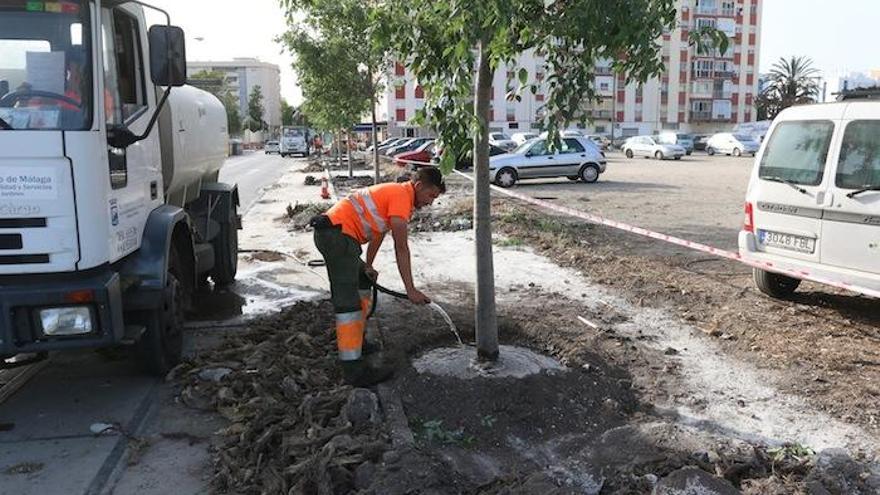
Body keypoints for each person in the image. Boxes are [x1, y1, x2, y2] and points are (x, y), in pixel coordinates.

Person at [311, 167, 446, 386]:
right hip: (337, 237)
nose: (430, 202)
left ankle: (358, 341)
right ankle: (354, 370)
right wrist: (410, 290)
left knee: (364, 279)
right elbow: (401, 248)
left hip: (341, 237)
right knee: (349, 306)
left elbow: (378, 233)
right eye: (430, 195)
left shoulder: (396, 194)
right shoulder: (401, 197)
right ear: (419, 186)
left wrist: (369, 265)